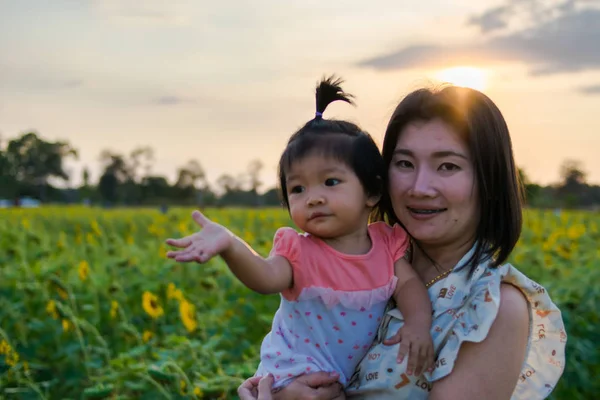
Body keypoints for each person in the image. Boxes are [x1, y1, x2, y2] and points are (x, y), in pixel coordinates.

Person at [237, 83, 567, 400]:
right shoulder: (359, 257)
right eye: (405, 164)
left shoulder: (495, 307)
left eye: (448, 166)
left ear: (488, 180)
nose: (419, 187)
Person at [165, 77, 435, 396]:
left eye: (330, 182)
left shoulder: (386, 245)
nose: (313, 198)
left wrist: (418, 324)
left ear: (373, 191)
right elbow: (265, 278)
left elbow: (410, 287)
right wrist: (229, 244)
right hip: (290, 375)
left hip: (343, 381)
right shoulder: (299, 251)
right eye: (298, 188)